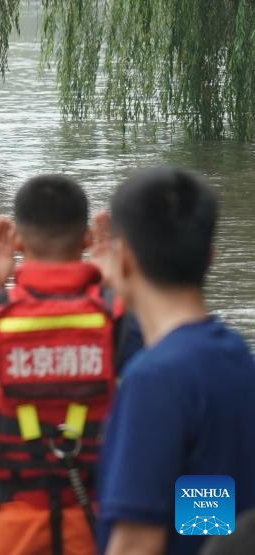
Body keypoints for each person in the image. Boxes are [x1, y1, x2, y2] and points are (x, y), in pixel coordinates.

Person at [0, 174, 143, 555]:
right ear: (87, 239)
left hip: (8, 532)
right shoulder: (122, 322)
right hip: (96, 527)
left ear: (19, 242)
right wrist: (116, 290)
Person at [90, 166, 255, 555]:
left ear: (124, 258)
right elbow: (207, 510)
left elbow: (136, 544)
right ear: (210, 257)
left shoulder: (154, 381)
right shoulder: (231, 357)